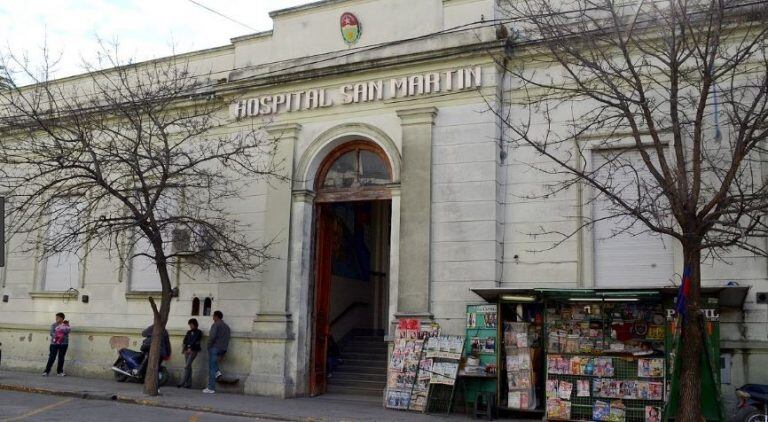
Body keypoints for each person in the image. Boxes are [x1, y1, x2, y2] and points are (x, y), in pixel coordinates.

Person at [203, 310, 230, 394]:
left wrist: (208, 346)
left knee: (212, 368)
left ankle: (211, 388)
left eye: (213, 316)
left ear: (216, 316)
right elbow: (227, 338)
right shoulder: (227, 327)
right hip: (223, 348)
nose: (212, 318)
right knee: (214, 365)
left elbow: (212, 337)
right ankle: (218, 373)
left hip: (215, 348)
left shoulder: (215, 325)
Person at [178, 318, 202, 388]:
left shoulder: (199, 332)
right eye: (189, 325)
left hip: (193, 351)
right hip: (186, 351)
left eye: (191, 324)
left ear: (195, 324)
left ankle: (182, 382)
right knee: (189, 367)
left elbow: (195, 341)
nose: (190, 326)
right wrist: (184, 348)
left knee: (187, 366)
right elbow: (185, 340)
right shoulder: (188, 332)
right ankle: (188, 384)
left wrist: (190, 348)